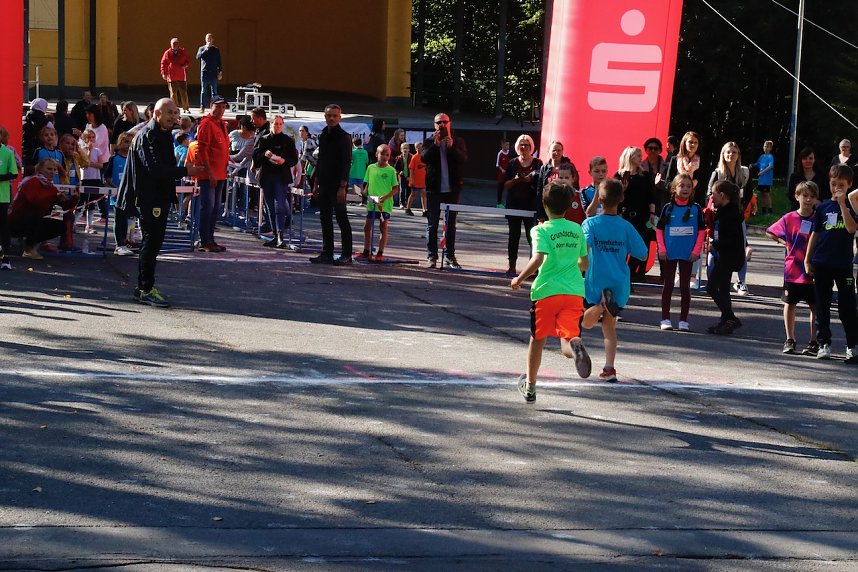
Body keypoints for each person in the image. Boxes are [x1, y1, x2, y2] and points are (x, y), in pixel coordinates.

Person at [116, 98, 206, 307]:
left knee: (154, 242)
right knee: (151, 242)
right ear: (156, 114)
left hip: (159, 196)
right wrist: (186, 171)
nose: (174, 117)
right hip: (149, 198)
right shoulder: (148, 136)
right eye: (170, 113)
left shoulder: (165, 135)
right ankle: (145, 288)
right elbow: (154, 169)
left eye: (176, 113)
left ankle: (143, 287)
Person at [510, 181, 592, 403]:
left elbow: (537, 259)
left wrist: (519, 278)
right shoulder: (577, 230)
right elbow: (584, 264)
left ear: (544, 205)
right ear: (568, 206)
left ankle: (530, 386)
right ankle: (575, 349)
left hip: (546, 292)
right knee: (567, 339)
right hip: (574, 291)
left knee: (537, 339)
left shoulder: (540, 230)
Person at [580, 178, 648, 382]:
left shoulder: (590, 223)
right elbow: (643, 254)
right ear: (622, 199)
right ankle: (609, 368)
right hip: (619, 280)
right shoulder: (626, 227)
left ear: (599, 199)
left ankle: (601, 307)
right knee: (609, 327)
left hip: (596, 278)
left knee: (586, 323)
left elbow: (584, 248)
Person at [805, 164, 858, 362]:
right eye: (833, 184)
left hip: (843, 265)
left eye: (841, 185)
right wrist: (807, 259)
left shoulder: (853, 205)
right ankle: (824, 343)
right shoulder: (823, 207)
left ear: (849, 185)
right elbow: (815, 234)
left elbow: (851, 229)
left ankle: (852, 345)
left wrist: (844, 203)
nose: (836, 188)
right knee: (822, 305)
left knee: (847, 306)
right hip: (822, 263)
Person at [766, 181, 819, 355]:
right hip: (793, 269)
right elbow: (770, 231)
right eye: (805, 196)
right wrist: (784, 242)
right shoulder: (789, 218)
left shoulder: (818, 218)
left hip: (812, 269)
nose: (808, 200)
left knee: (815, 305)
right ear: (797, 197)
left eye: (812, 196)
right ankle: (790, 339)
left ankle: (814, 340)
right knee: (790, 304)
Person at [656, 173, 705, 332]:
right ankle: (665, 319)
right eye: (682, 186)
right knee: (668, 285)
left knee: (685, 287)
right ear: (674, 188)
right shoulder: (668, 208)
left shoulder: (696, 209)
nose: (685, 189)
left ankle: (684, 321)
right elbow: (659, 230)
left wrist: (696, 251)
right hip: (669, 253)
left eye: (688, 186)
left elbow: (702, 232)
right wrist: (662, 249)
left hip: (688, 254)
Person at [7, 159, 79, 260]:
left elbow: (66, 206)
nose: (52, 172)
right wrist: (53, 195)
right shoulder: (32, 182)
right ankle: (28, 248)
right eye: (49, 169)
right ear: (40, 169)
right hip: (15, 221)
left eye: (54, 169)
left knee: (60, 226)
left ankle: (29, 243)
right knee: (35, 217)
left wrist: (75, 197)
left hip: (32, 221)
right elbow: (34, 201)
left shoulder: (51, 188)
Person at [422, 112, 468, 269]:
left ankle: (449, 256)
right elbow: (424, 158)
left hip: (452, 189)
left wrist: (451, 146)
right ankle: (432, 257)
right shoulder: (429, 141)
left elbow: (463, 159)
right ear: (434, 125)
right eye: (438, 123)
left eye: (444, 122)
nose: (441, 125)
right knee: (432, 224)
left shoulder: (458, 141)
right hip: (434, 189)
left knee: (451, 225)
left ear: (450, 123)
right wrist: (435, 145)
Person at [310, 104, 353, 265]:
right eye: (329, 115)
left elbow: (346, 163)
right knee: (325, 218)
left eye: (335, 115)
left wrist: (343, 187)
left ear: (340, 117)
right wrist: (315, 184)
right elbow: (320, 161)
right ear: (325, 116)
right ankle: (327, 252)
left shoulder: (344, 137)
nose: (332, 118)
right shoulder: (322, 136)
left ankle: (346, 254)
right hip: (324, 183)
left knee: (342, 218)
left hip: (338, 185)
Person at [707, 141, 751, 295]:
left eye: (734, 152)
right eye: (728, 152)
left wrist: (741, 210)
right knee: (715, 246)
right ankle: (712, 278)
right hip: (720, 216)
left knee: (741, 247)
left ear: (738, 155)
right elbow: (709, 194)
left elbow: (749, 193)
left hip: (737, 216)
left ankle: (741, 281)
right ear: (723, 154)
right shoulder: (718, 172)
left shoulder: (744, 172)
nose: (731, 155)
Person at [705, 180, 745, 335]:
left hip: (729, 256)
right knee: (723, 289)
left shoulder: (731, 213)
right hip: (725, 255)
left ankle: (731, 318)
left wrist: (716, 244)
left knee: (712, 287)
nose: (711, 197)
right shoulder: (724, 211)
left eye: (713, 194)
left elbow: (732, 239)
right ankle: (725, 321)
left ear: (722, 195)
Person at [253, 114, 299, 248]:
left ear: (283, 125)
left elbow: (294, 159)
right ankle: (274, 235)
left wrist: (284, 161)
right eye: (275, 123)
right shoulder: (263, 139)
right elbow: (256, 157)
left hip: (281, 176)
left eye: (280, 124)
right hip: (267, 176)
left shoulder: (288, 141)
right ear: (271, 124)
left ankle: (280, 236)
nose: (277, 126)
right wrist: (265, 155)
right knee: (270, 207)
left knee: (279, 205)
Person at [616, 146, 656, 282]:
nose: (641, 158)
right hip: (624, 215)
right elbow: (614, 198)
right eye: (638, 156)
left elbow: (651, 196)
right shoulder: (619, 175)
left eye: (640, 156)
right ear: (629, 157)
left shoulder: (644, 176)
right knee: (622, 248)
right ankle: (621, 277)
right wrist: (623, 189)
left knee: (639, 246)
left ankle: (629, 276)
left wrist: (652, 213)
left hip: (642, 217)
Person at [503, 134, 542, 276]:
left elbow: (541, 184)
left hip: (531, 206)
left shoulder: (538, 163)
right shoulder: (512, 163)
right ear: (517, 147)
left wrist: (529, 180)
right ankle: (511, 266)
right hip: (514, 205)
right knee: (513, 236)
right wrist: (516, 180)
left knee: (533, 237)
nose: (524, 147)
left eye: (526, 145)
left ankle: (534, 267)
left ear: (531, 147)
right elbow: (505, 185)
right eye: (521, 145)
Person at [355, 144, 398, 262]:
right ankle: (366, 251)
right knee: (367, 226)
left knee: (383, 227)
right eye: (382, 154)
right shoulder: (370, 168)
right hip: (372, 202)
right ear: (376, 154)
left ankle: (380, 252)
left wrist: (385, 197)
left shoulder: (391, 170)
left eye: (387, 155)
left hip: (384, 204)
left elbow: (395, 188)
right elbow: (367, 184)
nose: (385, 157)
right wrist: (363, 192)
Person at [104, 132, 135, 256]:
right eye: (125, 141)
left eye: (130, 142)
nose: (128, 145)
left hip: (130, 195)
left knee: (128, 220)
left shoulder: (134, 158)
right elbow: (107, 176)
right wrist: (115, 188)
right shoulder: (114, 158)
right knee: (119, 219)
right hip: (117, 195)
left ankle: (125, 241)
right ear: (119, 143)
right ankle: (119, 245)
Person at [533, 140, 574, 222]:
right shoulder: (544, 168)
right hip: (548, 209)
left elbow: (575, 188)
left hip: (564, 208)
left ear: (562, 152)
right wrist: (540, 213)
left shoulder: (570, 166)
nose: (556, 152)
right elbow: (540, 191)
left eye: (559, 150)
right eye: (554, 150)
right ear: (549, 152)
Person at [78, 128, 106, 235]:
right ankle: (74, 222)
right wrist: (89, 152)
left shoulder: (98, 151)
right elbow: (84, 164)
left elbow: (101, 164)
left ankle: (89, 225)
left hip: (95, 178)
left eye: (93, 137)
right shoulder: (82, 150)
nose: (91, 139)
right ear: (84, 139)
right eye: (88, 137)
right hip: (85, 178)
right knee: (82, 201)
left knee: (92, 203)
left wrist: (91, 163)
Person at [0, 125, 19, 270]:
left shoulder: (7, 153)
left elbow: (14, 173)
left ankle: (6, 258)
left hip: (2, 197)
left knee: (3, 228)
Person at [160, 38, 191, 113]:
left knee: (183, 93)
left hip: (181, 76)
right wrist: (163, 73)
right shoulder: (167, 53)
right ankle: (175, 109)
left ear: (178, 44)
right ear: (171, 45)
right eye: (173, 44)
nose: (175, 45)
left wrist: (186, 65)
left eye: (176, 43)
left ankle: (186, 108)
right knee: (173, 94)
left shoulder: (182, 52)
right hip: (171, 77)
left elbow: (188, 61)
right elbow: (163, 63)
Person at [641, 137, 670, 212]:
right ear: (646, 150)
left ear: (660, 150)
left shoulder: (668, 167)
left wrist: (661, 184)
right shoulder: (640, 167)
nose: (653, 150)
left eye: (656, 148)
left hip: (663, 204)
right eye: (650, 148)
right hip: (645, 204)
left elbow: (673, 187)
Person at [196, 33, 223, 114]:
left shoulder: (216, 49)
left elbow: (219, 61)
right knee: (204, 90)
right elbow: (198, 57)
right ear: (205, 40)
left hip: (213, 73)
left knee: (214, 91)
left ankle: (214, 107)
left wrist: (220, 72)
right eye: (208, 39)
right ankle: (202, 106)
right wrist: (206, 49)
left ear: (213, 40)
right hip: (205, 72)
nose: (209, 40)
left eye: (210, 39)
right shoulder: (201, 48)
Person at [22, 98, 51, 170]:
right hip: (40, 150)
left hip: (25, 149)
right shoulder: (46, 122)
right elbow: (53, 137)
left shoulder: (23, 119)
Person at [405, 141, 427, 216]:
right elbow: (411, 169)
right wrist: (412, 179)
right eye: (418, 148)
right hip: (416, 180)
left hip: (423, 180)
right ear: (415, 149)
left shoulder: (424, 157)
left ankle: (424, 209)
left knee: (424, 194)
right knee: (413, 194)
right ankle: (408, 208)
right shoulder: (414, 157)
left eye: (421, 147)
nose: (419, 149)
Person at [755, 140, 775, 215]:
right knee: (762, 194)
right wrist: (752, 165)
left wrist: (762, 172)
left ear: (770, 148)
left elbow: (770, 166)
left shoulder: (770, 156)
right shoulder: (761, 156)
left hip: (767, 180)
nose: (765, 148)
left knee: (767, 194)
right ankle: (763, 211)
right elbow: (757, 164)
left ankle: (770, 211)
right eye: (764, 146)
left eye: (767, 146)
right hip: (761, 180)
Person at [394, 141, 411, 209]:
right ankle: (401, 203)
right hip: (402, 176)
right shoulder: (399, 158)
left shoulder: (411, 157)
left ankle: (408, 203)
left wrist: (410, 176)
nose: (405, 150)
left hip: (409, 176)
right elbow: (396, 168)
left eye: (406, 148)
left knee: (409, 190)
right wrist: (399, 172)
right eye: (403, 148)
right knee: (402, 190)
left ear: (409, 149)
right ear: (401, 150)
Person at [496, 140, 510, 207]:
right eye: (506, 145)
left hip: (508, 175)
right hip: (501, 175)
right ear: (502, 145)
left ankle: (508, 203)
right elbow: (497, 164)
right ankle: (499, 204)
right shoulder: (500, 153)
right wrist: (502, 170)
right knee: (500, 189)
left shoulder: (509, 153)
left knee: (509, 189)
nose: (507, 146)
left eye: (508, 145)